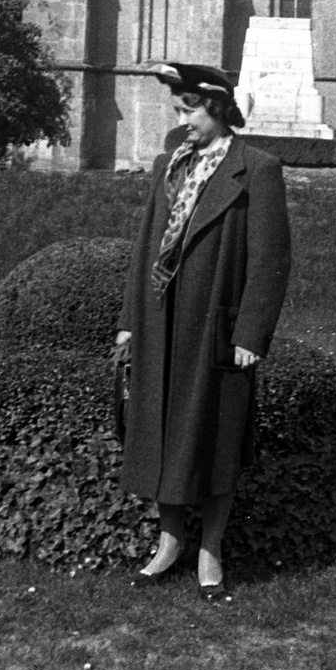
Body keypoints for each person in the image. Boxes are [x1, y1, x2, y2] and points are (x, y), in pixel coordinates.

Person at [114, 61, 291, 600]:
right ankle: (169, 544)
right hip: (159, 324)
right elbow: (147, 243)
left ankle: (210, 550)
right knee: (163, 436)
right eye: (179, 111)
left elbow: (270, 258)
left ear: (217, 107)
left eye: (189, 110)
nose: (183, 120)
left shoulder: (256, 168)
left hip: (215, 328)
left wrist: (249, 334)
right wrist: (127, 324)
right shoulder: (170, 164)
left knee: (214, 440)